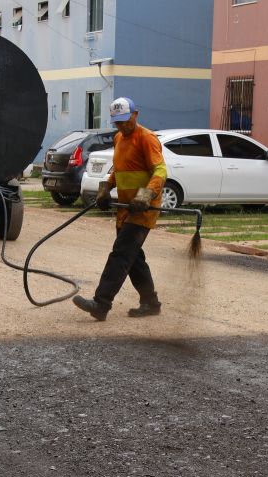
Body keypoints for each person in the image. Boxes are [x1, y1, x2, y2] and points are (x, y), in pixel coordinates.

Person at [72, 97, 167, 321]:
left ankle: (101, 304)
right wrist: (106, 188)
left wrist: (146, 194)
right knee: (133, 258)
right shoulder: (118, 138)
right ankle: (151, 303)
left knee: (121, 254)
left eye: (125, 121)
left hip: (144, 209)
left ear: (135, 115)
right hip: (125, 208)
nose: (122, 126)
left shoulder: (147, 138)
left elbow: (161, 170)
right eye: (118, 122)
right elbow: (120, 170)